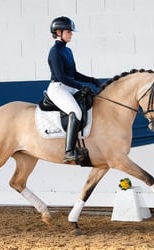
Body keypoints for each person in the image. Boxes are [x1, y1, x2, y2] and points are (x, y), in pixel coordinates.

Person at [47, 16, 101, 163]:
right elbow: (61, 76)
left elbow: (74, 74)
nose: (71, 34)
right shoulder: (55, 51)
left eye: (71, 32)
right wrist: (80, 86)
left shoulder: (68, 51)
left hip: (69, 86)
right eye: (68, 31)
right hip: (58, 88)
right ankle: (69, 151)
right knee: (75, 112)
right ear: (58, 32)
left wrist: (92, 80)